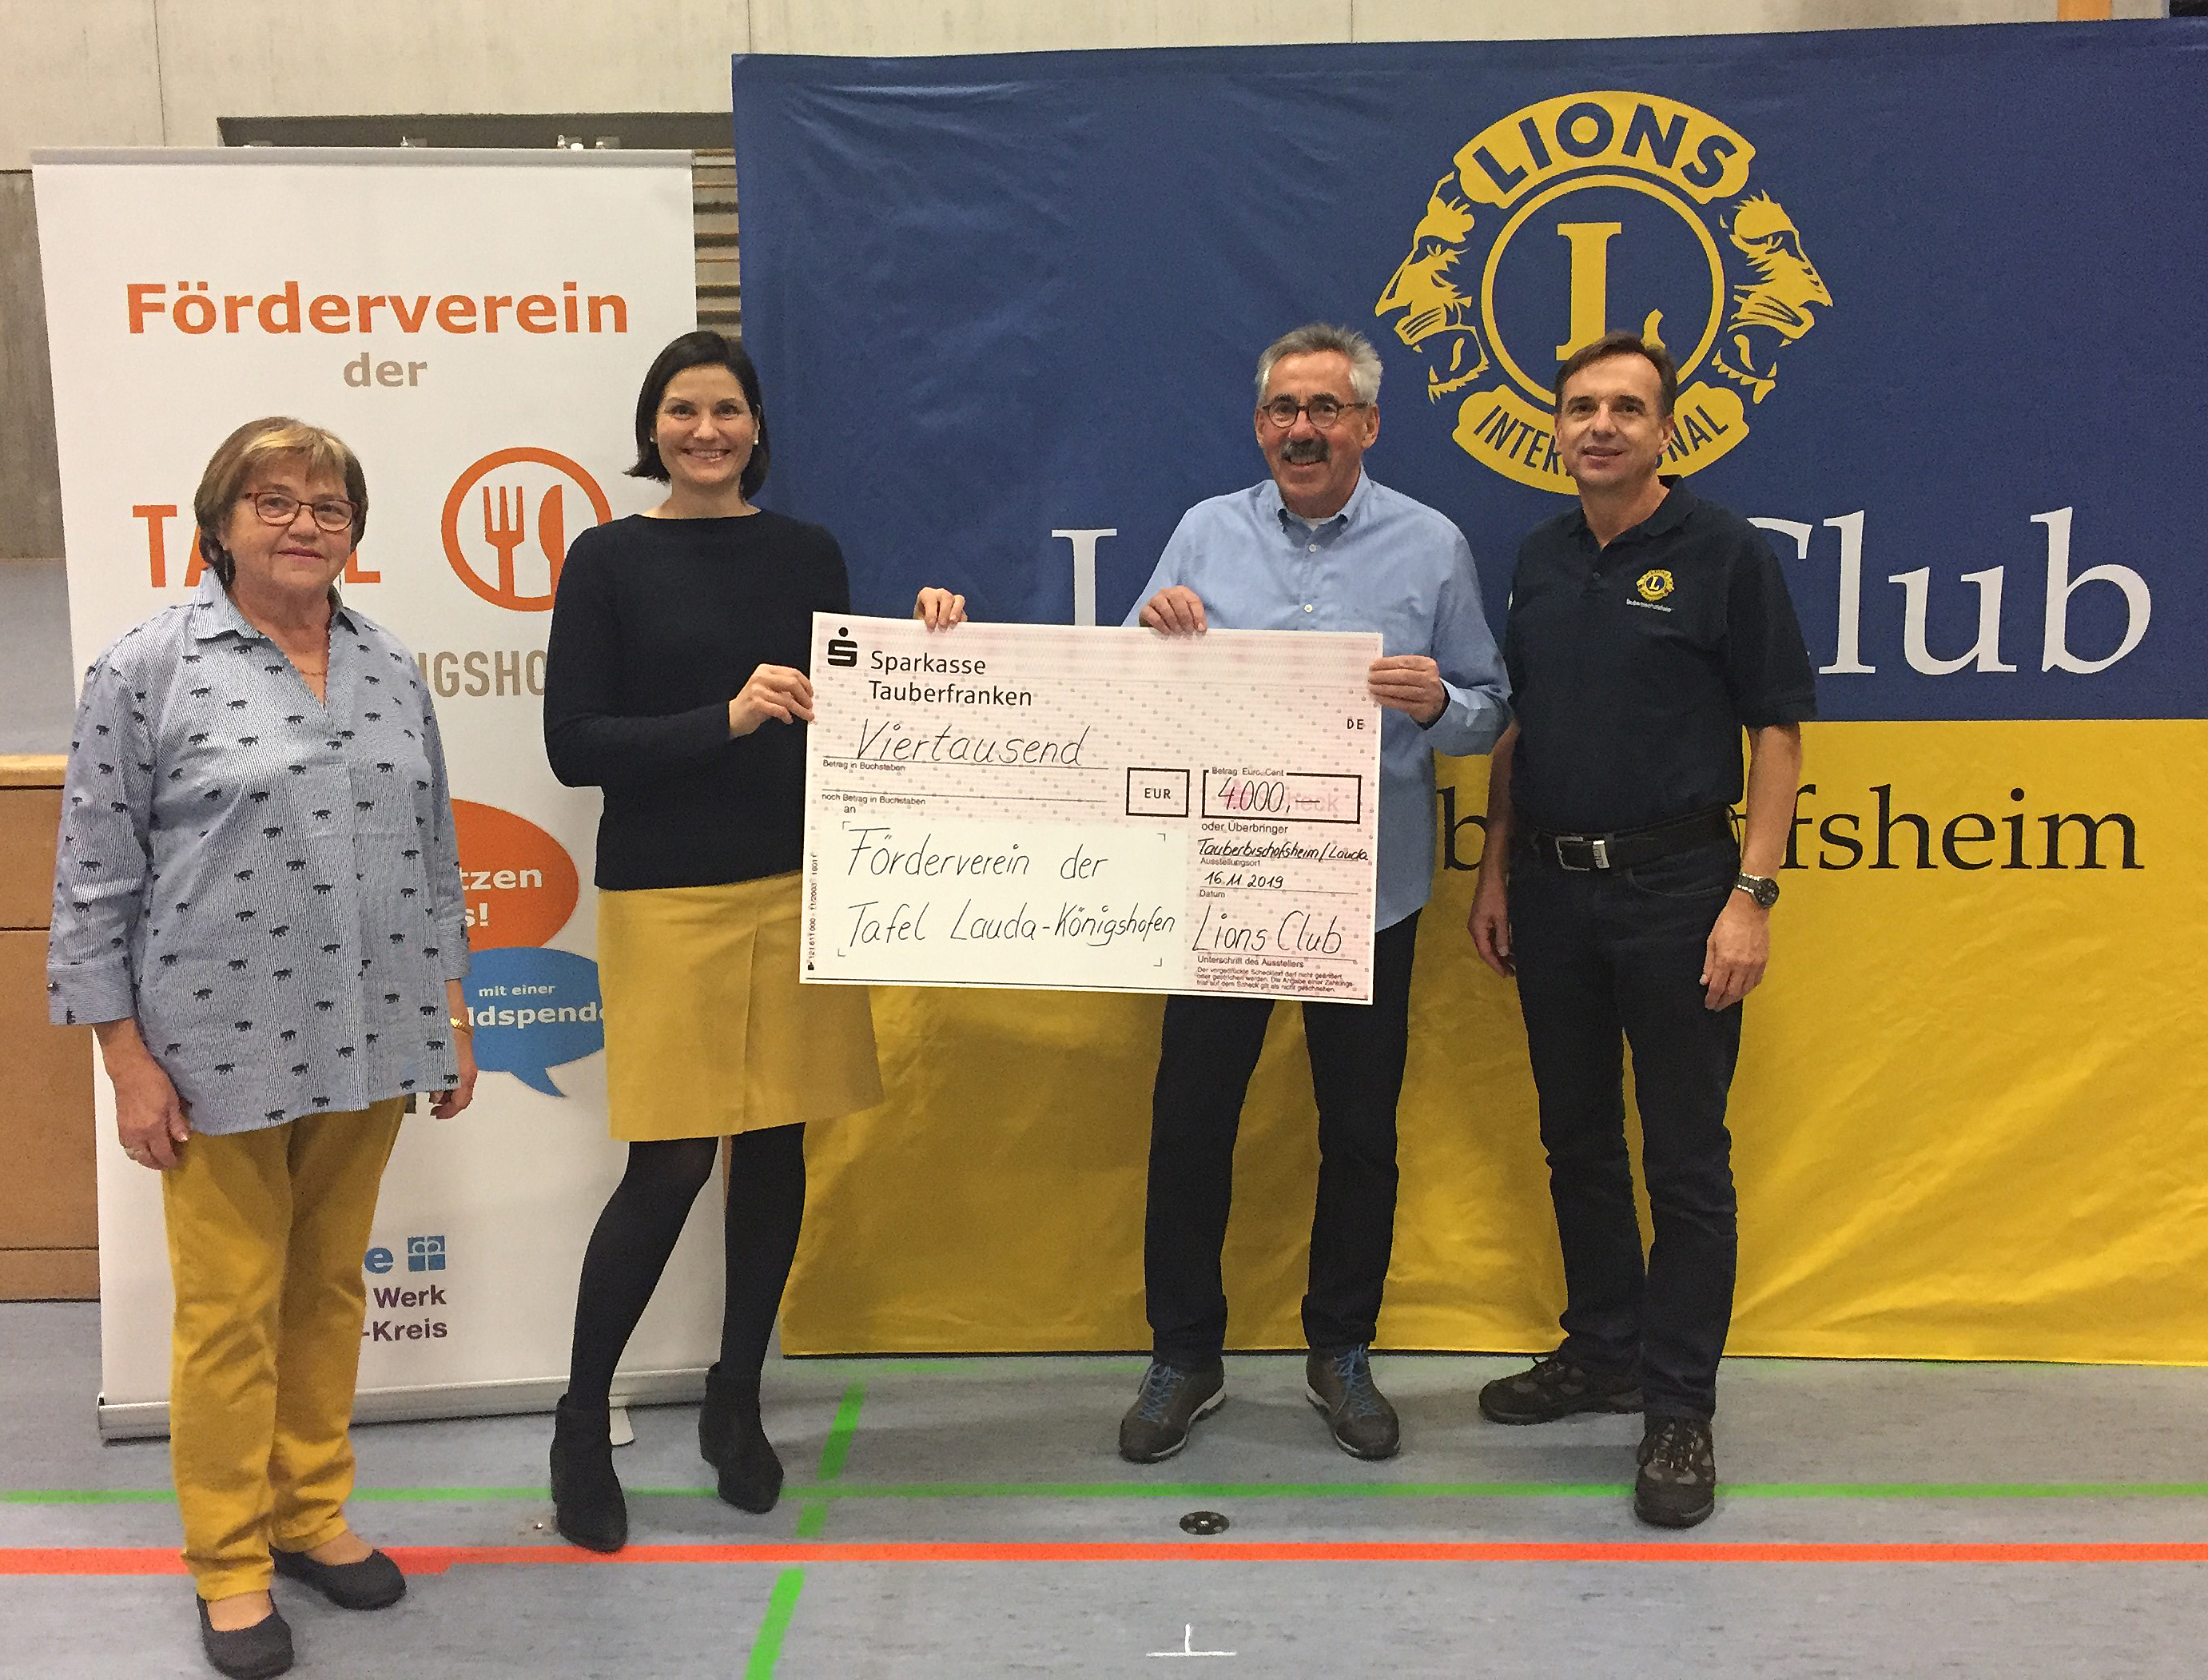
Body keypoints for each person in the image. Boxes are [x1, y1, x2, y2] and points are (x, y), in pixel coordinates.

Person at [47, 417, 477, 1679]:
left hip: (373, 1032)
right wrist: (125, 1055)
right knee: (230, 1314)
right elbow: (92, 881)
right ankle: (230, 1563)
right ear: (219, 521)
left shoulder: (391, 663)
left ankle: (309, 1515)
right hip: (214, 1050)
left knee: (331, 1290)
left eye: (329, 503)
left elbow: (433, 843)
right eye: (274, 500)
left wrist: (451, 1006)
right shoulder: (150, 666)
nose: (305, 522)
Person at [1114, 323, 1510, 1465]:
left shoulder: (1432, 546)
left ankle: (1341, 1352)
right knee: (1191, 1127)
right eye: (1285, 409)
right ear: (1259, 425)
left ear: (1369, 425)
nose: (1303, 428)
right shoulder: (1203, 532)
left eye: (1327, 409)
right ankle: (1184, 1355)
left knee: (1360, 1133)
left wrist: (1441, 704)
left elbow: (1490, 706)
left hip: (1364, 897)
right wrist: (1157, 635)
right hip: (1223, 890)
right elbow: (1121, 688)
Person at [1466, 331, 1816, 1529]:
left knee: (1685, 1160)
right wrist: (1497, 868)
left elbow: (1778, 732)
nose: (1600, 426)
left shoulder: (1726, 554)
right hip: (1555, 895)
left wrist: (1751, 896)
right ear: (1556, 428)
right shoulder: (1540, 556)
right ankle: (1602, 1348)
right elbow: (1521, 726)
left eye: (1626, 407)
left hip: (1681, 893)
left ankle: (1678, 1406)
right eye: (1579, 408)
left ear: (1668, 428)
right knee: (1576, 1142)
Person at [541, 330, 884, 1552]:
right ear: (654, 429)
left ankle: (736, 1402)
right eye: (682, 410)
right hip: (667, 895)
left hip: (799, 882)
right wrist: (726, 717)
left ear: (755, 427)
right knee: (672, 1164)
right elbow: (574, 743)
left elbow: (857, 706)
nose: (705, 429)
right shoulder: (606, 559)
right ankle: (582, 1422)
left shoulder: (807, 552)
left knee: (777, 1150)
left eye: (726, 408)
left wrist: (930, 646)